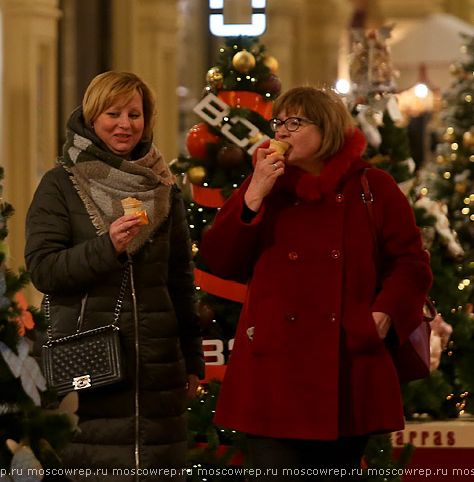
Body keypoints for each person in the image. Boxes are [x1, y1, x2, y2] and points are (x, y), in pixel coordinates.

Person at [200, 86, 432, 480]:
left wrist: (384, 313)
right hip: (273, 366)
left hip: (345, 364)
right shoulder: (264, 185)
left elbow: (412, 264)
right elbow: (219, 260)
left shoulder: (373, 187)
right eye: (278, 123)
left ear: (328, 130)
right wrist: (254, 193)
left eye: (295, 122)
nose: (282, 133)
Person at [25, 71, 204, 480]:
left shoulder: (163, 187)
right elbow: (43, 268)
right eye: (113, 113)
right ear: (92, 117)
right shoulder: (61, 184)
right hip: (89, 364)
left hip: (158, 367)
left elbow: (179, 280)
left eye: (135, 114)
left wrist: (192, 358)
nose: (126, 124)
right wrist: (107, 247)